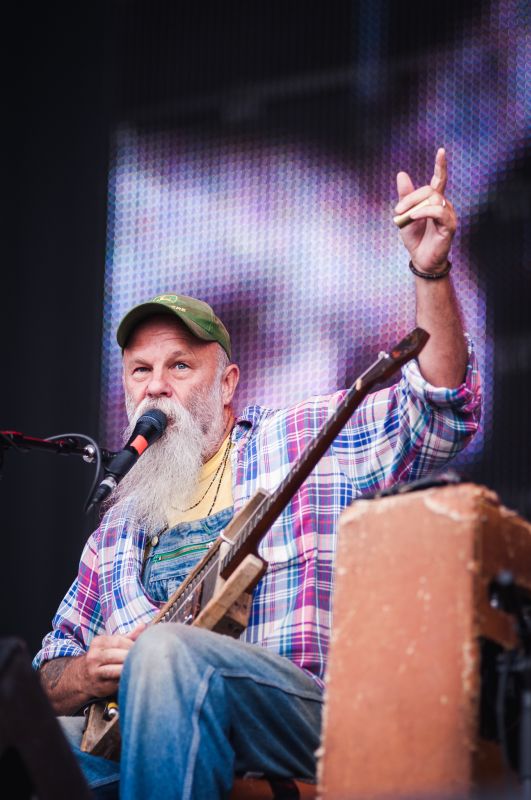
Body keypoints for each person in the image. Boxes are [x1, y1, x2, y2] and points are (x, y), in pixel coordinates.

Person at [33, 148, 481, 799]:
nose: (156, 386)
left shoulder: (299, 441)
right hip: (150, 736)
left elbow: (441, 408)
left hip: (302, 719)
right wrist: (86, 673)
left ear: (227, 384)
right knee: (36, 737)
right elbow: (47, 671)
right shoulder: (117, 529)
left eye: (180, 367)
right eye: (140, 371)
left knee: (165, 655)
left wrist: (431, 271)